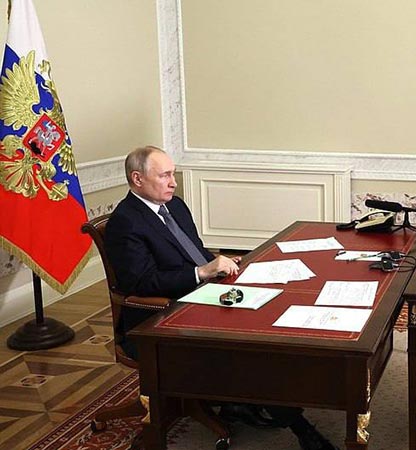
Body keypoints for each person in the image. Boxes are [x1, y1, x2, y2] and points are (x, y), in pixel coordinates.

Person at [105, 146, 338, 450]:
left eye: (173, 174)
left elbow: (193, 250)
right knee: (248, 348)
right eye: (164, 176)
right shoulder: (126, 222)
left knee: (271, 317)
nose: (173, 182)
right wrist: (201, 272)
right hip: (158, 319)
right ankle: (300, 428)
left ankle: (244, 401)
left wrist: (221, 264)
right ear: (137, 179)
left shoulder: (174, 205)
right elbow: (141, 282)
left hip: (201, 295)